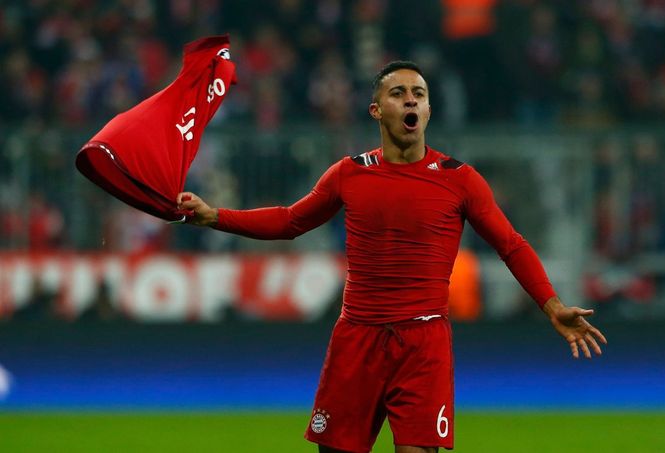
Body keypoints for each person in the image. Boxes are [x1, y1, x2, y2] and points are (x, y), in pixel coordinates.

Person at [177, 61, 607, 453]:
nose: (410, 100)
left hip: (423, 343)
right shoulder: (349, 173)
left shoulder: (461, 180)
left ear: (428, 110)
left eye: (418, 93)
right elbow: (291, 221)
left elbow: (511, 244)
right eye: (398, 92)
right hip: (357, 337)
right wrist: (215, 216)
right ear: (376, 110)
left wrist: (551, 305)